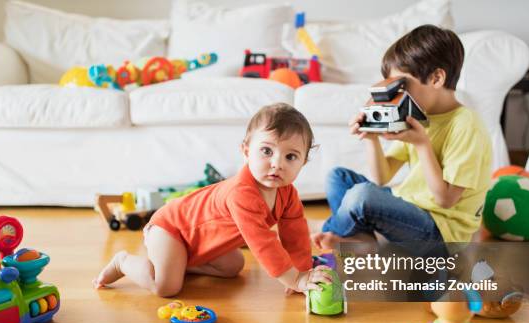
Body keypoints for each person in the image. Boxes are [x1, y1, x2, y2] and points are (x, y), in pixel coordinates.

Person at [95, 103, 332, 297]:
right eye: (267, 151)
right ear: (246, 151)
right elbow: (263, 243)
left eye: (291, 156)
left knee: (233, 267)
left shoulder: (287, 193)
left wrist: (303, 271)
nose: (277, 163)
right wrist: (295, 278)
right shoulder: (242, 193)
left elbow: (296, 233)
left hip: (202, 240)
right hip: (171, 229)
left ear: (303, 163)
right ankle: (123, 262)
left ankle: (181, 262)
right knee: (167, 287)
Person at [313, 24, 492, 251]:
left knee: (361, 196)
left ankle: (335, 231)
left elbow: (445, 200)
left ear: (436, 78)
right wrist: (371, 138)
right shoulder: (419, 114)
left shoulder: (466, 124)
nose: (396, 95)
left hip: (440, 231)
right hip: (410, 207)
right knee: (338, 177)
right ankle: (364, 240)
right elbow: (382, 178)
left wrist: (421, 144)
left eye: (401, 85)